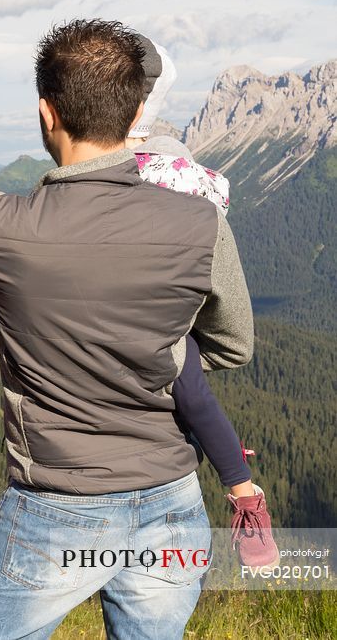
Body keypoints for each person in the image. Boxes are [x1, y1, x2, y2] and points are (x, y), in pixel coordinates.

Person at [0, 19, 254, 639]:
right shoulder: (202, 222)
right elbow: (233, 346)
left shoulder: (2, 229)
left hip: (54, 506)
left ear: (47, 113)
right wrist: (152, 355)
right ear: (136, 114)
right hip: (171, 499)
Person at [129, 34, 278, 570]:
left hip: (161, 302)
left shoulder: (156, 154)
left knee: (188, 384)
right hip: (137, 296)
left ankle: (243, 491)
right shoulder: (144, 146)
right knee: (186, 387)